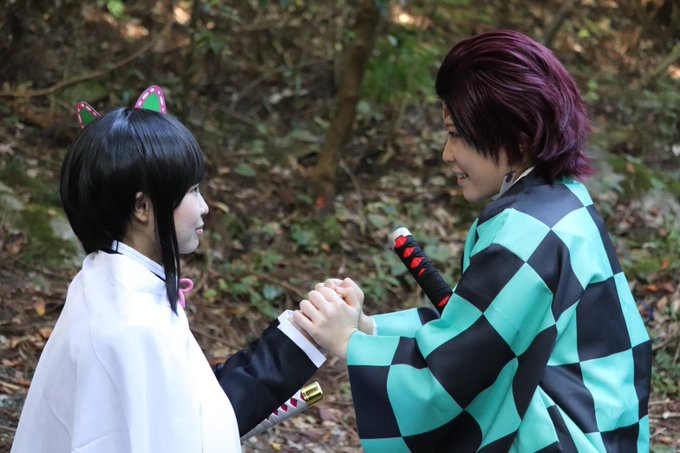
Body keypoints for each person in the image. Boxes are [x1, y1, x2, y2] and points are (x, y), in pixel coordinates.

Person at [294, 30, 652, 452]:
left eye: (456, 134)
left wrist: (349, 343)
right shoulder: (563, 200)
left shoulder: (525, 233)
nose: (447, 154)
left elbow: (451, 380)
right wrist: (369, 328)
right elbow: (476, 330)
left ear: (516, 135)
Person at [11, 85, 326, 453]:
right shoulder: (133, 324)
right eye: (193, 191)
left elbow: (194, 408)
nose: (204, 206)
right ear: (143, 207)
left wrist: (304, 333)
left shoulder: (104, 283)